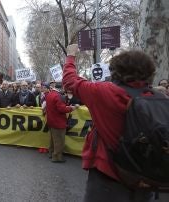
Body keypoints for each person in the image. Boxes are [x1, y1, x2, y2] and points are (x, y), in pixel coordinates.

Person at [63, 44, 156, 201]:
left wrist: (71, 56)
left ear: (117, 71)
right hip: (147, 179)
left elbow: (70, 80)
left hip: (109, 177)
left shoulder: (104, 92)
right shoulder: (159, 98)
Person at [45, 86, 79, 162]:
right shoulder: (58, 96)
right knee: (59, 140)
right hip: (58, 121)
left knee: (53, 139)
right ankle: (57, 157)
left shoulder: (49, 94)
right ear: (61, 88)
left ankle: (51, 153)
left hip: (51, 120)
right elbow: (62, 109)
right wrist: (72, 108)